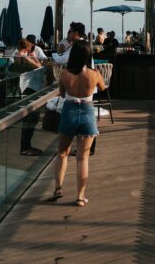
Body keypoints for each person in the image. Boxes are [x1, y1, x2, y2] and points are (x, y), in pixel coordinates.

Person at [46, 43, 105, 207]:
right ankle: (80, 197)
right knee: (82, 157)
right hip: (87, 113)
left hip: (69, 112)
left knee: (62, 153)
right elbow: (102, 88)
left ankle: (58, 188)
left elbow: (63, 93)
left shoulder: (65, 74)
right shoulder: (95, 74)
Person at [14, 38, 48, 156]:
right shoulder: (23, 57)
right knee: (31, 118)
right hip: (30, 88)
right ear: (28, 47)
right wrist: (33, 58)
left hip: (26, 87)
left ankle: (26, 146)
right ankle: (25, 147)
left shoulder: (17, 55)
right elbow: (39, 67)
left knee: (30, 118)